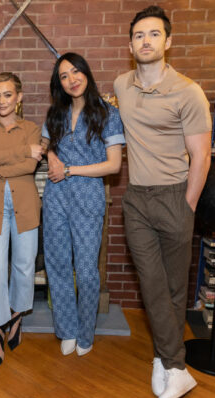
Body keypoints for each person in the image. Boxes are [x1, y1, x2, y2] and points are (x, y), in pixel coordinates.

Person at [113, 6, 212, 398]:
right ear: (130, 44)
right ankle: (178, 368)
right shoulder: (121, 84)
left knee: (173, 289)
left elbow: (201, 158)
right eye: (139, 35)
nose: (146, 41)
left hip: (175, 196)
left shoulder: (188, 91)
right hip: (136, 199)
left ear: (168, 42)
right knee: (152, 285)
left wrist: (186, 206)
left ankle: (165, 358)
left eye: (154, 34)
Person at [42, 53, 125, 358]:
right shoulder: (55, 113)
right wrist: (51, 156)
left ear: (86, 74)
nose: (71, 79)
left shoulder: (108, 113)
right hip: (55, 197)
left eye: (76, 72)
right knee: (57, 265)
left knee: (87, 269)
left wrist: (70, 170)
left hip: (88, 196)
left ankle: (85, 331)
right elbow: (46, 146)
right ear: (59, 83)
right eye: (64, 76)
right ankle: (66, 329)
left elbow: (114, 165)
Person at [0, 72, 43, 368]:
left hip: (26, 204)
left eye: (8, 95)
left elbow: (28, 167)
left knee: (25, 266)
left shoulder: (32, 127)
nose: (2, 101)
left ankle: (16, 315)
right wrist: (22, 152)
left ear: (19, 97)